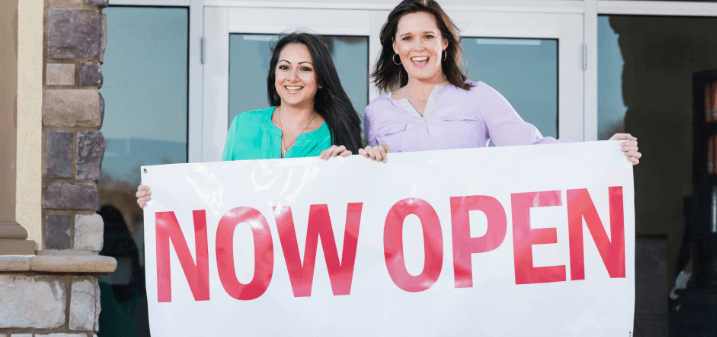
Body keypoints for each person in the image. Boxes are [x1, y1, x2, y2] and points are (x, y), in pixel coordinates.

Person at [360, 0, 641, 165]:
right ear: (395, 47)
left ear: (444, 42)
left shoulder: (478, 96)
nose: (418, 47)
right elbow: (369, 179)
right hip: (407, 244)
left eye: (428, 36)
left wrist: (602, 153)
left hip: (467, 233)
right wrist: (368, 160)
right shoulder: (376, 112)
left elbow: (533, 149)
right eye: (407, 38)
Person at [137, 32, 377, 208]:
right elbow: (217, 196)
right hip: (249, 262)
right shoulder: (244, 126)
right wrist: (160, 196)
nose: (292, 77)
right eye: (284, 67)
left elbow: (356, 214)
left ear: (321, 79)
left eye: (305, 69)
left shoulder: (337, 139)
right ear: (274, 75)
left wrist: (348, 173)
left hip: (306, 268)